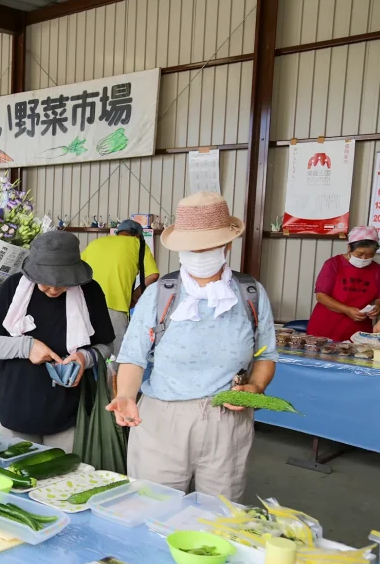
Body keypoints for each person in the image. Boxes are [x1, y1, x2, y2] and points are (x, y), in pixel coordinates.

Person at [107, 192, 278, 501]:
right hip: (162, 420)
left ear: (226, 245)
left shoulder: (250, 293)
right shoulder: (160, 294)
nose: (199, 253)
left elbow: (266, 354)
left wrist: (255, 388)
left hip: (227, 423)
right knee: (151, 507)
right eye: (192, 248)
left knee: (221, 516)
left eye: (208, 246)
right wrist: (125, 396)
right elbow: (133, 356)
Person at [0, 231, 115, 449]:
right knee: (16, 478)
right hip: (16, 412)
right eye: (45, 282)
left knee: (64, 479)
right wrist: (26, 346)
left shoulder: (90, 292)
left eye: (61, 283)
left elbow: (106, 346)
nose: (52, 289)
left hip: (68, 416)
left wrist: (84, 358)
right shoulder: (14, 289)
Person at [81, 219, 160, 352]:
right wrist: (134, 297)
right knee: (116, 355)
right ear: (137, 235)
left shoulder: (95, 243)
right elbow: (153, 275)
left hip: (86, 305)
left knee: (90, 353)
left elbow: (79, 270)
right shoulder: (138, 244)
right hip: (115, 306)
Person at [307, 226, 380, 342]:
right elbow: (321, 296)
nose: (364, 258)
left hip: (358, 330)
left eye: (370, 255)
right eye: (359, 254)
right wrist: (347, 310)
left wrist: (378, 308)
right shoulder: (333, 264)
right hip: (326, 324)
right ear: (349, 247)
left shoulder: (377, 270)